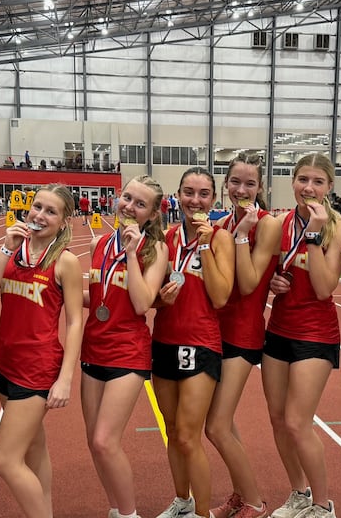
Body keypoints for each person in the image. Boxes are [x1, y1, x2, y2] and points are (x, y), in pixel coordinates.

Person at [0, 184, 84, 517]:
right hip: (6, 364)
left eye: (51, 211)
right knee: (35, 448)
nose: (40, 215)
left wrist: (66, 378)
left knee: (6, 460)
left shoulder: (66, 262)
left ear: (64, 221)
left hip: (37, 370)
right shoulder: (15, 251)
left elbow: (74, 322)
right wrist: (5, 249)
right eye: (37, 207)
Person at [264, 153, 341, 518]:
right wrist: (271, 282)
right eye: (302, 180)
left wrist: (313, 235)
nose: (309, 188)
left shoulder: (338, 227)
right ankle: (298, 493)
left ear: (329, 186)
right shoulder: (278, 223)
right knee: (278, 420)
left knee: (299, 422)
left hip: (315, 333)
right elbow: (261, 275)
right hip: (279, 328)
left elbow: (324, 286)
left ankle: (322, 505)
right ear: (292, 181)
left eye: (317, 181)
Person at [81, 175, 169, 518]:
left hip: (127, 353)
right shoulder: (99, 245)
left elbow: (141, 302)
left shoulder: (156, 249)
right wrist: (63, 294)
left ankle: (130, 514)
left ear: (153, 213)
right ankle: (116, 509)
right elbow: (101, 296)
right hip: (93, 348)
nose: (130, 207)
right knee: (93, 443)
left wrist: (132, 253)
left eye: (140, 203)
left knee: (106, 440)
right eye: (127, 198)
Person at [152, 167, 235, 518]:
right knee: (172, 432)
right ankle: (182, 501)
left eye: (203, 194)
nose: (195, 201)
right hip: (164, 340)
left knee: (188, 436)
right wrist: (161, 299)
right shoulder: (164, 238)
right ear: (178, 196)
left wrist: (204, 246)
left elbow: (219, 297)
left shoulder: (220, 239)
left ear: (213, 199)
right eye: (188, 192)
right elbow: (150, 297)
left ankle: (202, 513)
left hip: (201, 344)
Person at [208, 154, 281, 518]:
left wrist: (238, 237)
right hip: (215, 329)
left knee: (216, 426)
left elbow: (251, 283)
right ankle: (240, 494)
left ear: (260, 188)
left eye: (249, 184)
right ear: (226, 184)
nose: (241, 190)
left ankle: (254, 502)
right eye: (235, 182)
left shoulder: (266, 225)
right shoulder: (221, 222)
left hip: (243, 332)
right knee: (224, 421)